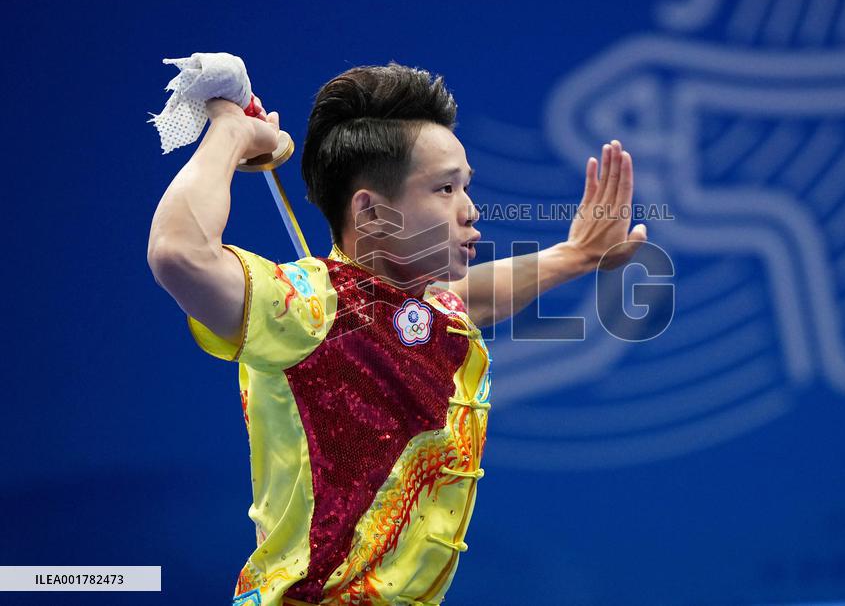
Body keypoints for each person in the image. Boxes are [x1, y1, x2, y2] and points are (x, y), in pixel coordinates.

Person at [147, 62, 646, 606]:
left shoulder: (418, 305)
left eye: (465, 187)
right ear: (373, 213)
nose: (471, 210)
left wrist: (576, 255)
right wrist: (232, 132)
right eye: (445, 188)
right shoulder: (309, 307)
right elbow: (180, 253)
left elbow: (471, 296)